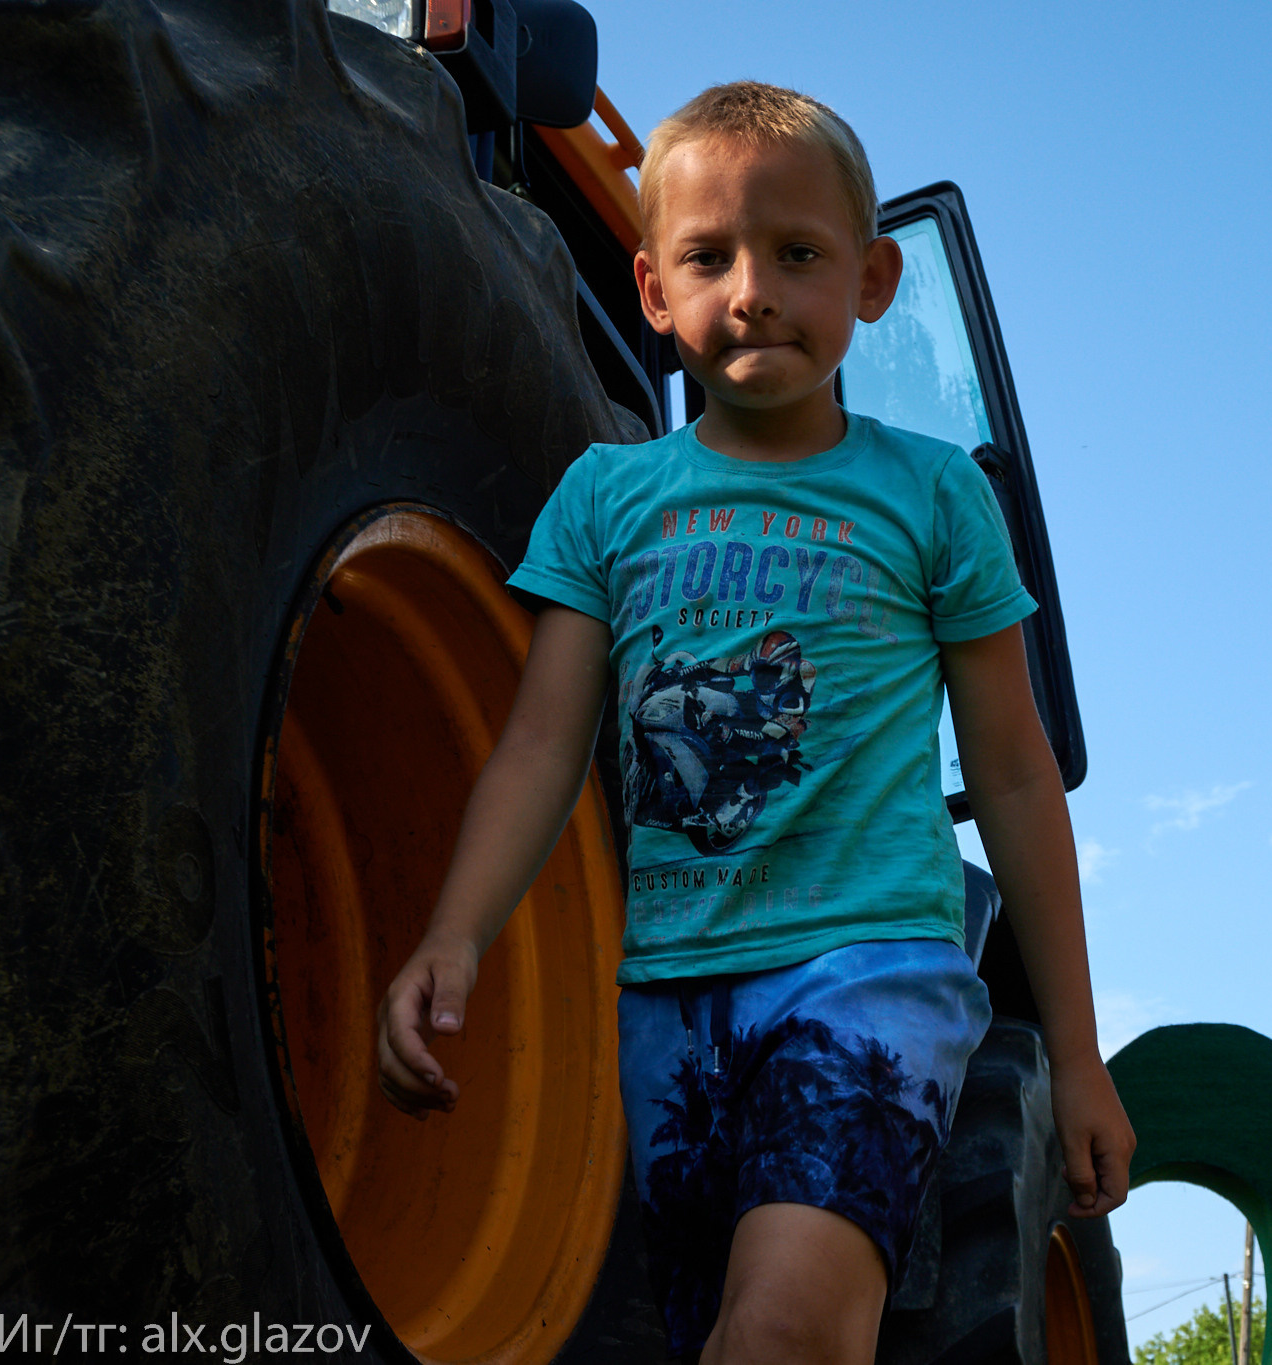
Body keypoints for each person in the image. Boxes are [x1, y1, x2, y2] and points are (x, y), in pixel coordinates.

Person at [373, 80, 1135, 1365]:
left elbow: (1010, 771)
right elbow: (544, 745)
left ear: (873, 278)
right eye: (707, 258)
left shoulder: (932, 495)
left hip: (869, 969)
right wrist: (454, 931)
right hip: (666, 1002)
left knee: (782, 1329)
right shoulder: (606, 497)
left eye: (795, 254)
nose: (752, 290)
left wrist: (1076, 1054)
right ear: (651, 293)